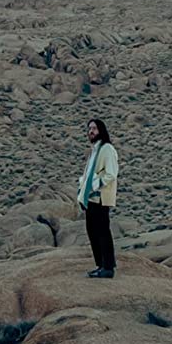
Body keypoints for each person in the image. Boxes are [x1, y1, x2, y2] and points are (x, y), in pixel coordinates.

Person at [75, 119, 119, 277]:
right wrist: (83, 193)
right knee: (92, 231)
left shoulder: (107, 149)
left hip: (100, 197)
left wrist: (94, 185)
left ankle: (108, 267)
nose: (91, 131)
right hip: (91, 199)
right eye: (89, 129)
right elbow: (87, 176)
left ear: (101, 130)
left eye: (94, 128)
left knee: (102, 231)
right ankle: (101, 265)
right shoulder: (94, 150)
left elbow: (111, 174)